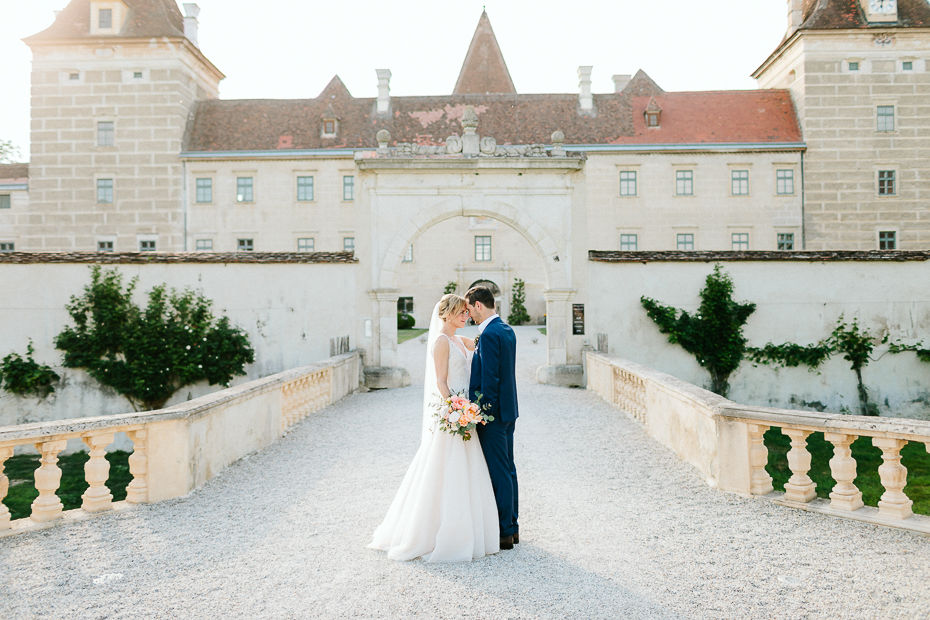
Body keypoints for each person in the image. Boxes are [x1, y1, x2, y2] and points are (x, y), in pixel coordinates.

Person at [368, 294, 500, 562]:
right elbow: (441, 381)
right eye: (461, 312)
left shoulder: (459, 340)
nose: (465, 316)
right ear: (447, 314)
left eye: (466, 312)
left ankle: (471, 529)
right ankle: (435, 531)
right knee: (445, 468)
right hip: (455, 413)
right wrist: (455, 408)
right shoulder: (441, 342)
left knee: (469, 469)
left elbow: (482, 344)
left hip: (466, 411)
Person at [465, 286, 519, 550]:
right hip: (509, 410)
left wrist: (481, 413)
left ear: (478, 305)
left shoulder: (488, 334)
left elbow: (490, 379)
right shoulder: (506, 330)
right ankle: (513, 526)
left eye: (470, 309)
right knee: (508, 468)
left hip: (494, 415)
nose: (469, 315)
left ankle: (504, 532)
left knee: (498, 471)